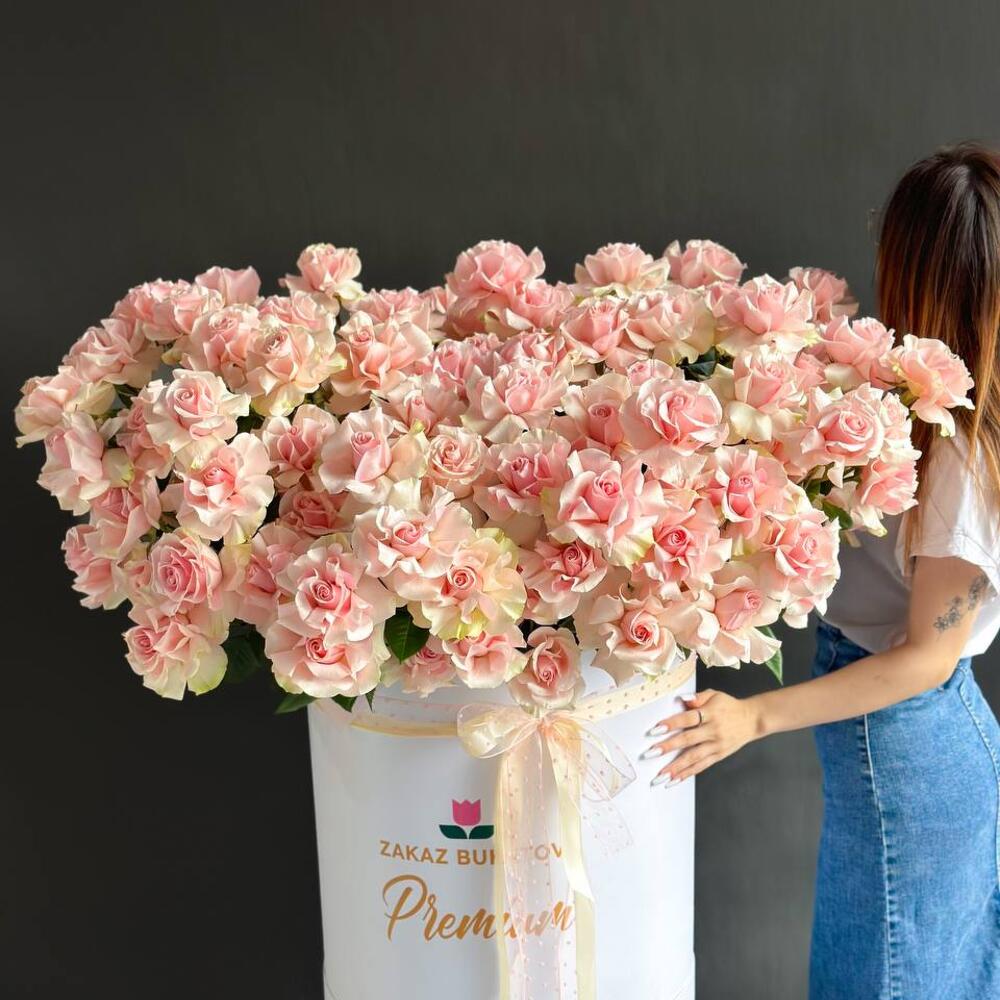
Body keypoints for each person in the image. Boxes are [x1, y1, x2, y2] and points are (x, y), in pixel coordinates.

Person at [645, 143, 1000, 1000]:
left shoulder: (957, 458)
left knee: (887, 981)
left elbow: (927, 658)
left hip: (910, 741)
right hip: (918, 743)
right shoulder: (912, 409)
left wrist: (753, 718)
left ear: (912, 271)